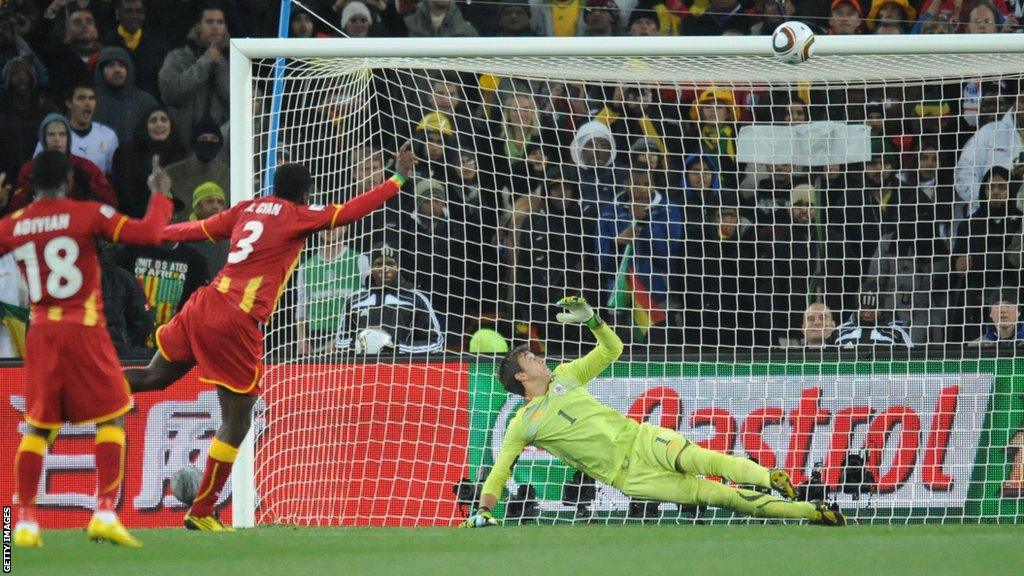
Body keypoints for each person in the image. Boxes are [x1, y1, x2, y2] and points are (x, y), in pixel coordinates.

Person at [123, 143, 416, 531]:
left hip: (203, 303)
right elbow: (351, 211)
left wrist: (157, 231)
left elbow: (196, 230)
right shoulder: (298, 215)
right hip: (234, 319)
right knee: (237, 421)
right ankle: (203, 510)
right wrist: (398, 178)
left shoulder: (247, 208)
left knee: (151, 377)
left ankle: (78, 388)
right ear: (306, 194)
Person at [461, 296, 846, 528]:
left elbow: (612, 350)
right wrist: (483, 510)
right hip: (629, 476)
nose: (540, 358)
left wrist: (594, 321)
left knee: (705, 458)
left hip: (641, 438)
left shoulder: (566, 375)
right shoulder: (523, 423)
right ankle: (809, 512)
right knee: (714, 493)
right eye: (531, 358)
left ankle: (772, 478)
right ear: (522, 376)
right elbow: (500, 470)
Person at [0, 149, 174, 547]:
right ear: (69, 181)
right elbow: (151, 234)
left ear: (28, 187)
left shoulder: (13, 225)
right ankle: (105, 511)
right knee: (111, 419)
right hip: (86, 327)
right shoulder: (88, 215)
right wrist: (160, 194)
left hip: (41, 331)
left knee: (39, 426)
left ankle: (24, 518)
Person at [333, 242, 445, 355]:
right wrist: (360, 345)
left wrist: (395, 347)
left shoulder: (415, 299)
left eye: (390, 264)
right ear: (371, 267)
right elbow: (340, 342)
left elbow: (436, 343)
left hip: (401, 368)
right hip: (362, 368)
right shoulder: (354, 300)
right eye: (378, 264)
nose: (385, 269)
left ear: (398, 267)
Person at [158, 4, 230, 145]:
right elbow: (168, 93)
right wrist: (203, 64)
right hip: (181, 143)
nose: (215, 27)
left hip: (224, 146)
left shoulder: (238, 59)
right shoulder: (176, 57)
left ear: (225, 27)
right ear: (198, 27)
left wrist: (221, 67)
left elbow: (244, 102)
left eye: (220, 22)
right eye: (209, 22)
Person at [93, 46, 160, 146]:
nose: (117, 70)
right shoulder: (88, 101)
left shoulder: (145, 101)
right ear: (101, 70)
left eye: (122, 65)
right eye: (111, 65)